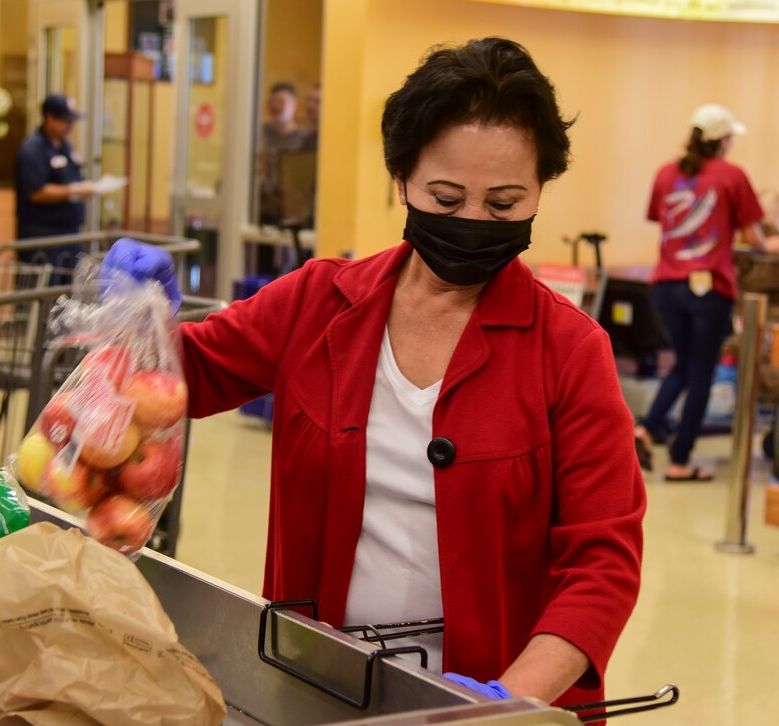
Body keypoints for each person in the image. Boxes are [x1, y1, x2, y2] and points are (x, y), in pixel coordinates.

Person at [105, 38, 644, 710]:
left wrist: (508, 700)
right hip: (316, 686)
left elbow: (603, 565)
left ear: (539, 191)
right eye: (446, 198)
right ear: (401, 182)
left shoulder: (568, 351)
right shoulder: (317, 304)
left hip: (488, 705)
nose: (475, 223)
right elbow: (177, 379)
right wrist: (136, 323)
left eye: (505, 205)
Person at [634, 104, 779, 481]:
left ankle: (646, 429)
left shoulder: (666, 173)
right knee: (700, 373)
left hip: (666, 285)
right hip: (709, 289)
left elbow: (658, 218)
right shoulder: (731, 175)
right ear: (724, 140)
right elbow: (755, 239)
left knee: (683, 367)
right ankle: (680, 461)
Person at [15, 93, 98, 281]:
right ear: (49, 118)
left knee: (68, 295)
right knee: (44, 297)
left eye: (72, 121)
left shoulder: (65, 147)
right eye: (65, 121)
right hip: (44, 238)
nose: (70, 126)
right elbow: (36, 192)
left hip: (69, 236)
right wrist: (74, 191)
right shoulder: (33, 148)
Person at [258, 82, 311, 226]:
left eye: (281, 101)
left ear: (294, 105)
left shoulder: (305, 139)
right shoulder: (259, 134)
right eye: (272, 102)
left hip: (291, 212)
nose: (275, 106)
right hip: (261, 209)